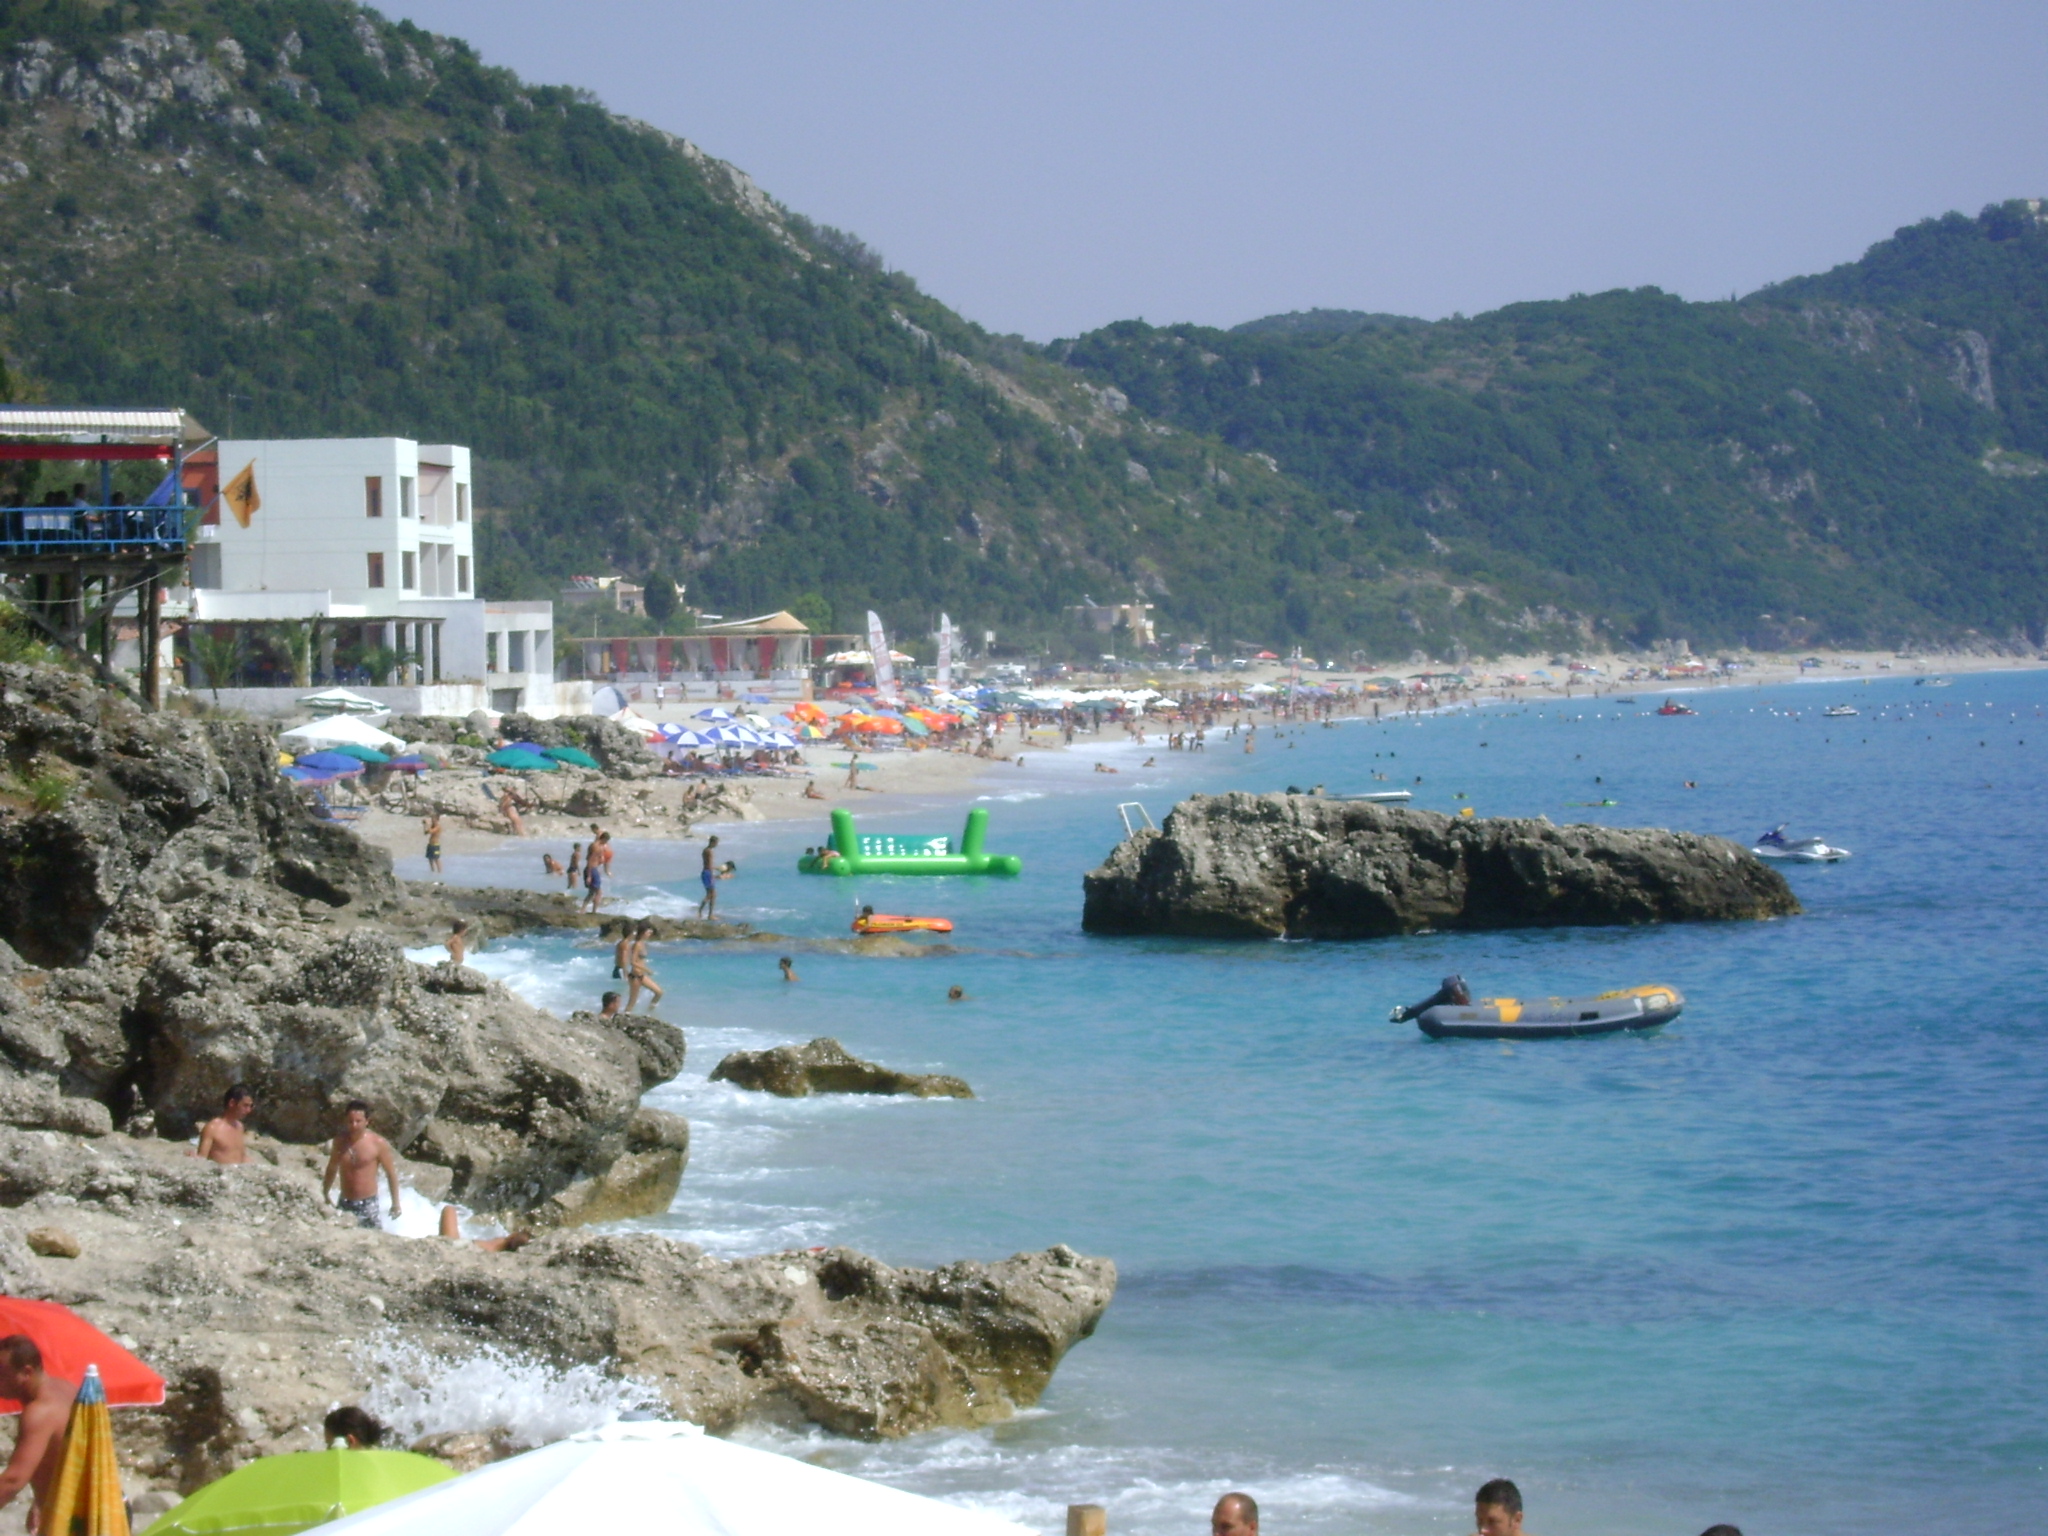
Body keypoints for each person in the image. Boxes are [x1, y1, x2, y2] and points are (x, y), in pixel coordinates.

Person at [0, 1336, 78, 1530]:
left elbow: (13, 1480)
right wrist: (39, 1500)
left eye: (1, 1374)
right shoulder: (68, 1389)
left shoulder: (39, 1412)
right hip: (105, 1508)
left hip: (75, 1521)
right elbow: (63, 1455)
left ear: (27, 1372)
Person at [321, 1099, 402, 1228]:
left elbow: (390, 1174)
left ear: (367, 1121)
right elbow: (332, 1167)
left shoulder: (378, 1143)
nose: (354, 1125)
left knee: (374, 1239)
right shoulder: (339, 1142)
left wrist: (396, 1203)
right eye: (350, 1121)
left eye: (358, 1121)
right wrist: (325, 1193)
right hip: (345, 1201)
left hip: (368, 1203)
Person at [193, 1083, 255, 1165]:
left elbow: (241, 1156)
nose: (248, 1110)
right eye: (245, 1106)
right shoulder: (212, 1128)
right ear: (232, 1103)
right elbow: (201, 1160)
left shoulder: (240, 1127)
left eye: (250, 1106)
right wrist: (194, 1158)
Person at [436, 1204, 532, 1253]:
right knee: (449, 1209)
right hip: (464, 1248)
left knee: (449, 1209)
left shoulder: (499, 1243)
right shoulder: (498, 1247)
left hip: (455, 1247)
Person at [1389, 974, 1471, 1022]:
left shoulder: (1447, 998)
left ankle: (1404, 1015)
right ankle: (1403, 1015)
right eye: (1460, 992)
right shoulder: (1442, 1000)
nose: (1464, 995)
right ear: (1452, 996)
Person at [627, 920, 663, 1012]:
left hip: (641, 976)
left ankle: (649, 1012)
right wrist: (647, 970)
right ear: (643, 932)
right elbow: (632, 962)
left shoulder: (642, 944)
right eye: (648, 932)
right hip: (635, 976)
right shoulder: (637, 944)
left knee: (659, 992)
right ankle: (623, 1017)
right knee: (632, 1002)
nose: (650, 934)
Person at [697, 835, 721, 919]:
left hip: (705, 872)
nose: (717, 845)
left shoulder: (705, 850)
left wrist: (715, 868)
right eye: (716, 843)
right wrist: (712, 875)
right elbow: (709, 864)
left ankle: (706, 913)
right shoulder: (709, 851)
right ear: (713, 842)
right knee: (711, 895)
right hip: (707, 873)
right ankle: (706, 913)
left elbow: (707, 864)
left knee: (712, 894)